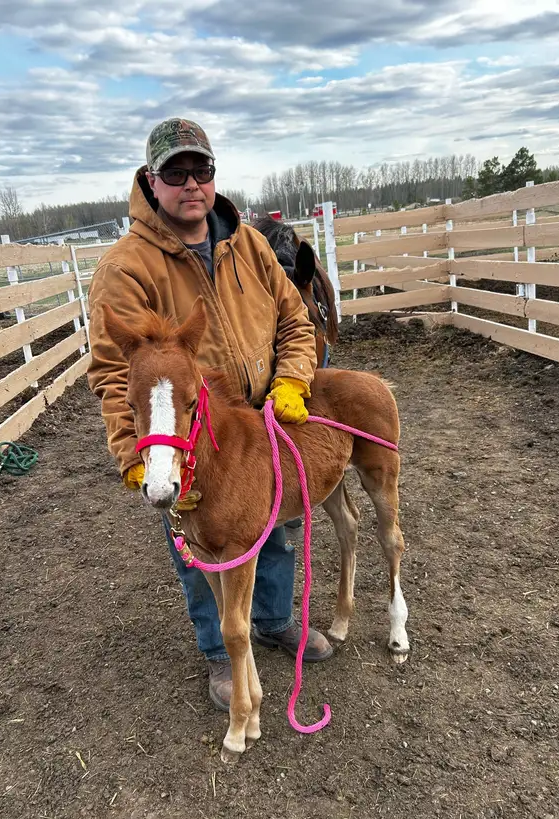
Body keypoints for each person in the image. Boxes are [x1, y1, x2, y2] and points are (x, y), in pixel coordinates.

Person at [87, 117, 333, 711]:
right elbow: (114, 375)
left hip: (260, 422)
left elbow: (296, 322)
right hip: (188, 435)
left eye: (202, 169)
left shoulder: (248, 243)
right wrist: (134, 456)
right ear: (152, 180)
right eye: (176, 172)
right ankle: (222, 652)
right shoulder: (125, 269)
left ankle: (272, 619)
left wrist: (294, 380)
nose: (191, 183)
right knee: (200, 548)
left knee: (274, 527)